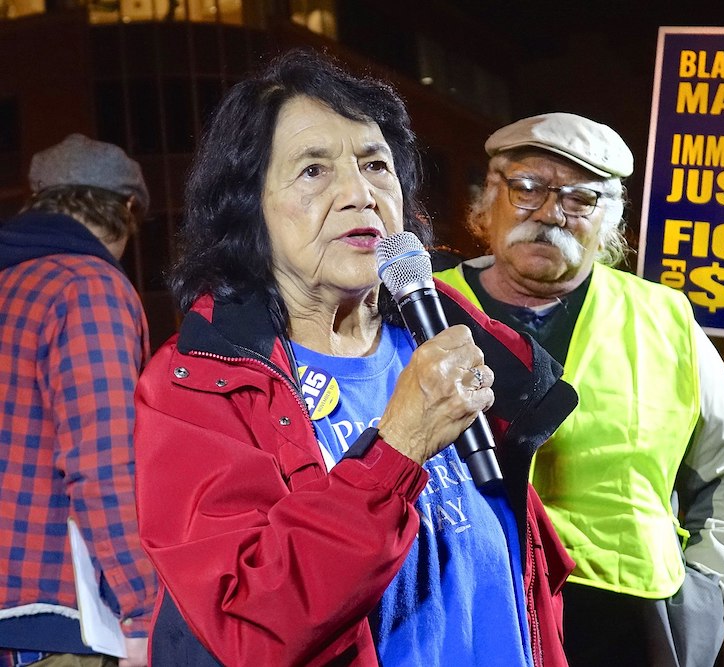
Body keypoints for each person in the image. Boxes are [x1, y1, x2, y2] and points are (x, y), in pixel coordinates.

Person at [132, 49, 578, 666]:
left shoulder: (447, 339)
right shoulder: (198, 386)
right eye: (313, 171)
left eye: (376, 165)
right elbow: (254, 623)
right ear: (248, 209)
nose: (360, 193)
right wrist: (397, 447)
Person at [435, 112, 724, 667]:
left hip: (622, 623)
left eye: (580, 198)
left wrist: (710, 596)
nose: (549, 213)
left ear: (611, 219)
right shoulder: (418, 307)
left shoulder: (665, 317)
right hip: (457, 604)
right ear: (487, 199)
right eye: (527, 188)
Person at [0, 134, 156, 666]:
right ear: (128, 210)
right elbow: (100, 462)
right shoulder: (86, 286)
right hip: (54, 619)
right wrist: (142, 606)